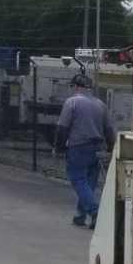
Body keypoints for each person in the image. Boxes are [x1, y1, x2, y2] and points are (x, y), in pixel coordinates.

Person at [54, 71, 116, 227]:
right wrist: (111, 147)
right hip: (97, 147)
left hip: (78, 146)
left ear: (76, 87)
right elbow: (109, 130)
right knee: (89, 182)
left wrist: (59, 148)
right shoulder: (100, 104)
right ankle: (80, 215)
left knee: (78, 180)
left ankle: (95, 212)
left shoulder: (72, 102)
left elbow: (62, 128)